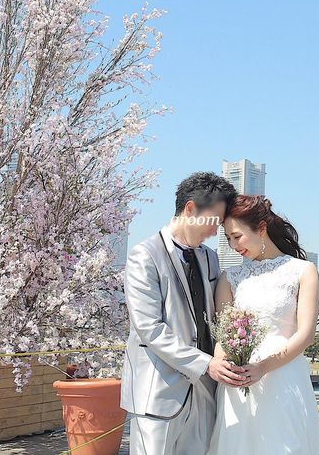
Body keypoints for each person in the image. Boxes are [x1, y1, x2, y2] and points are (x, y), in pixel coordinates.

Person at [121, 172, 247, 455]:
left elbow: (216, 317)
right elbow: (149, 327)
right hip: (158, 391)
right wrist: (205, 363)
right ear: (190, 209)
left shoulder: (209, 257)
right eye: (214, 221)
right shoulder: (145, 255)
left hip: (205, 391)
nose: (216, 232)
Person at [206, 194, 319, 454]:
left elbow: (306, 334)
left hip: (283, 376)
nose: (233, 245)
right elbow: (224, 335)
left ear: (261, 228)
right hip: (238, 379)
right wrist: (222, 364)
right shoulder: (230, 277)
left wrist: (263, 367)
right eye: (228, 238)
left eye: (237, 236)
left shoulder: (303, 271)